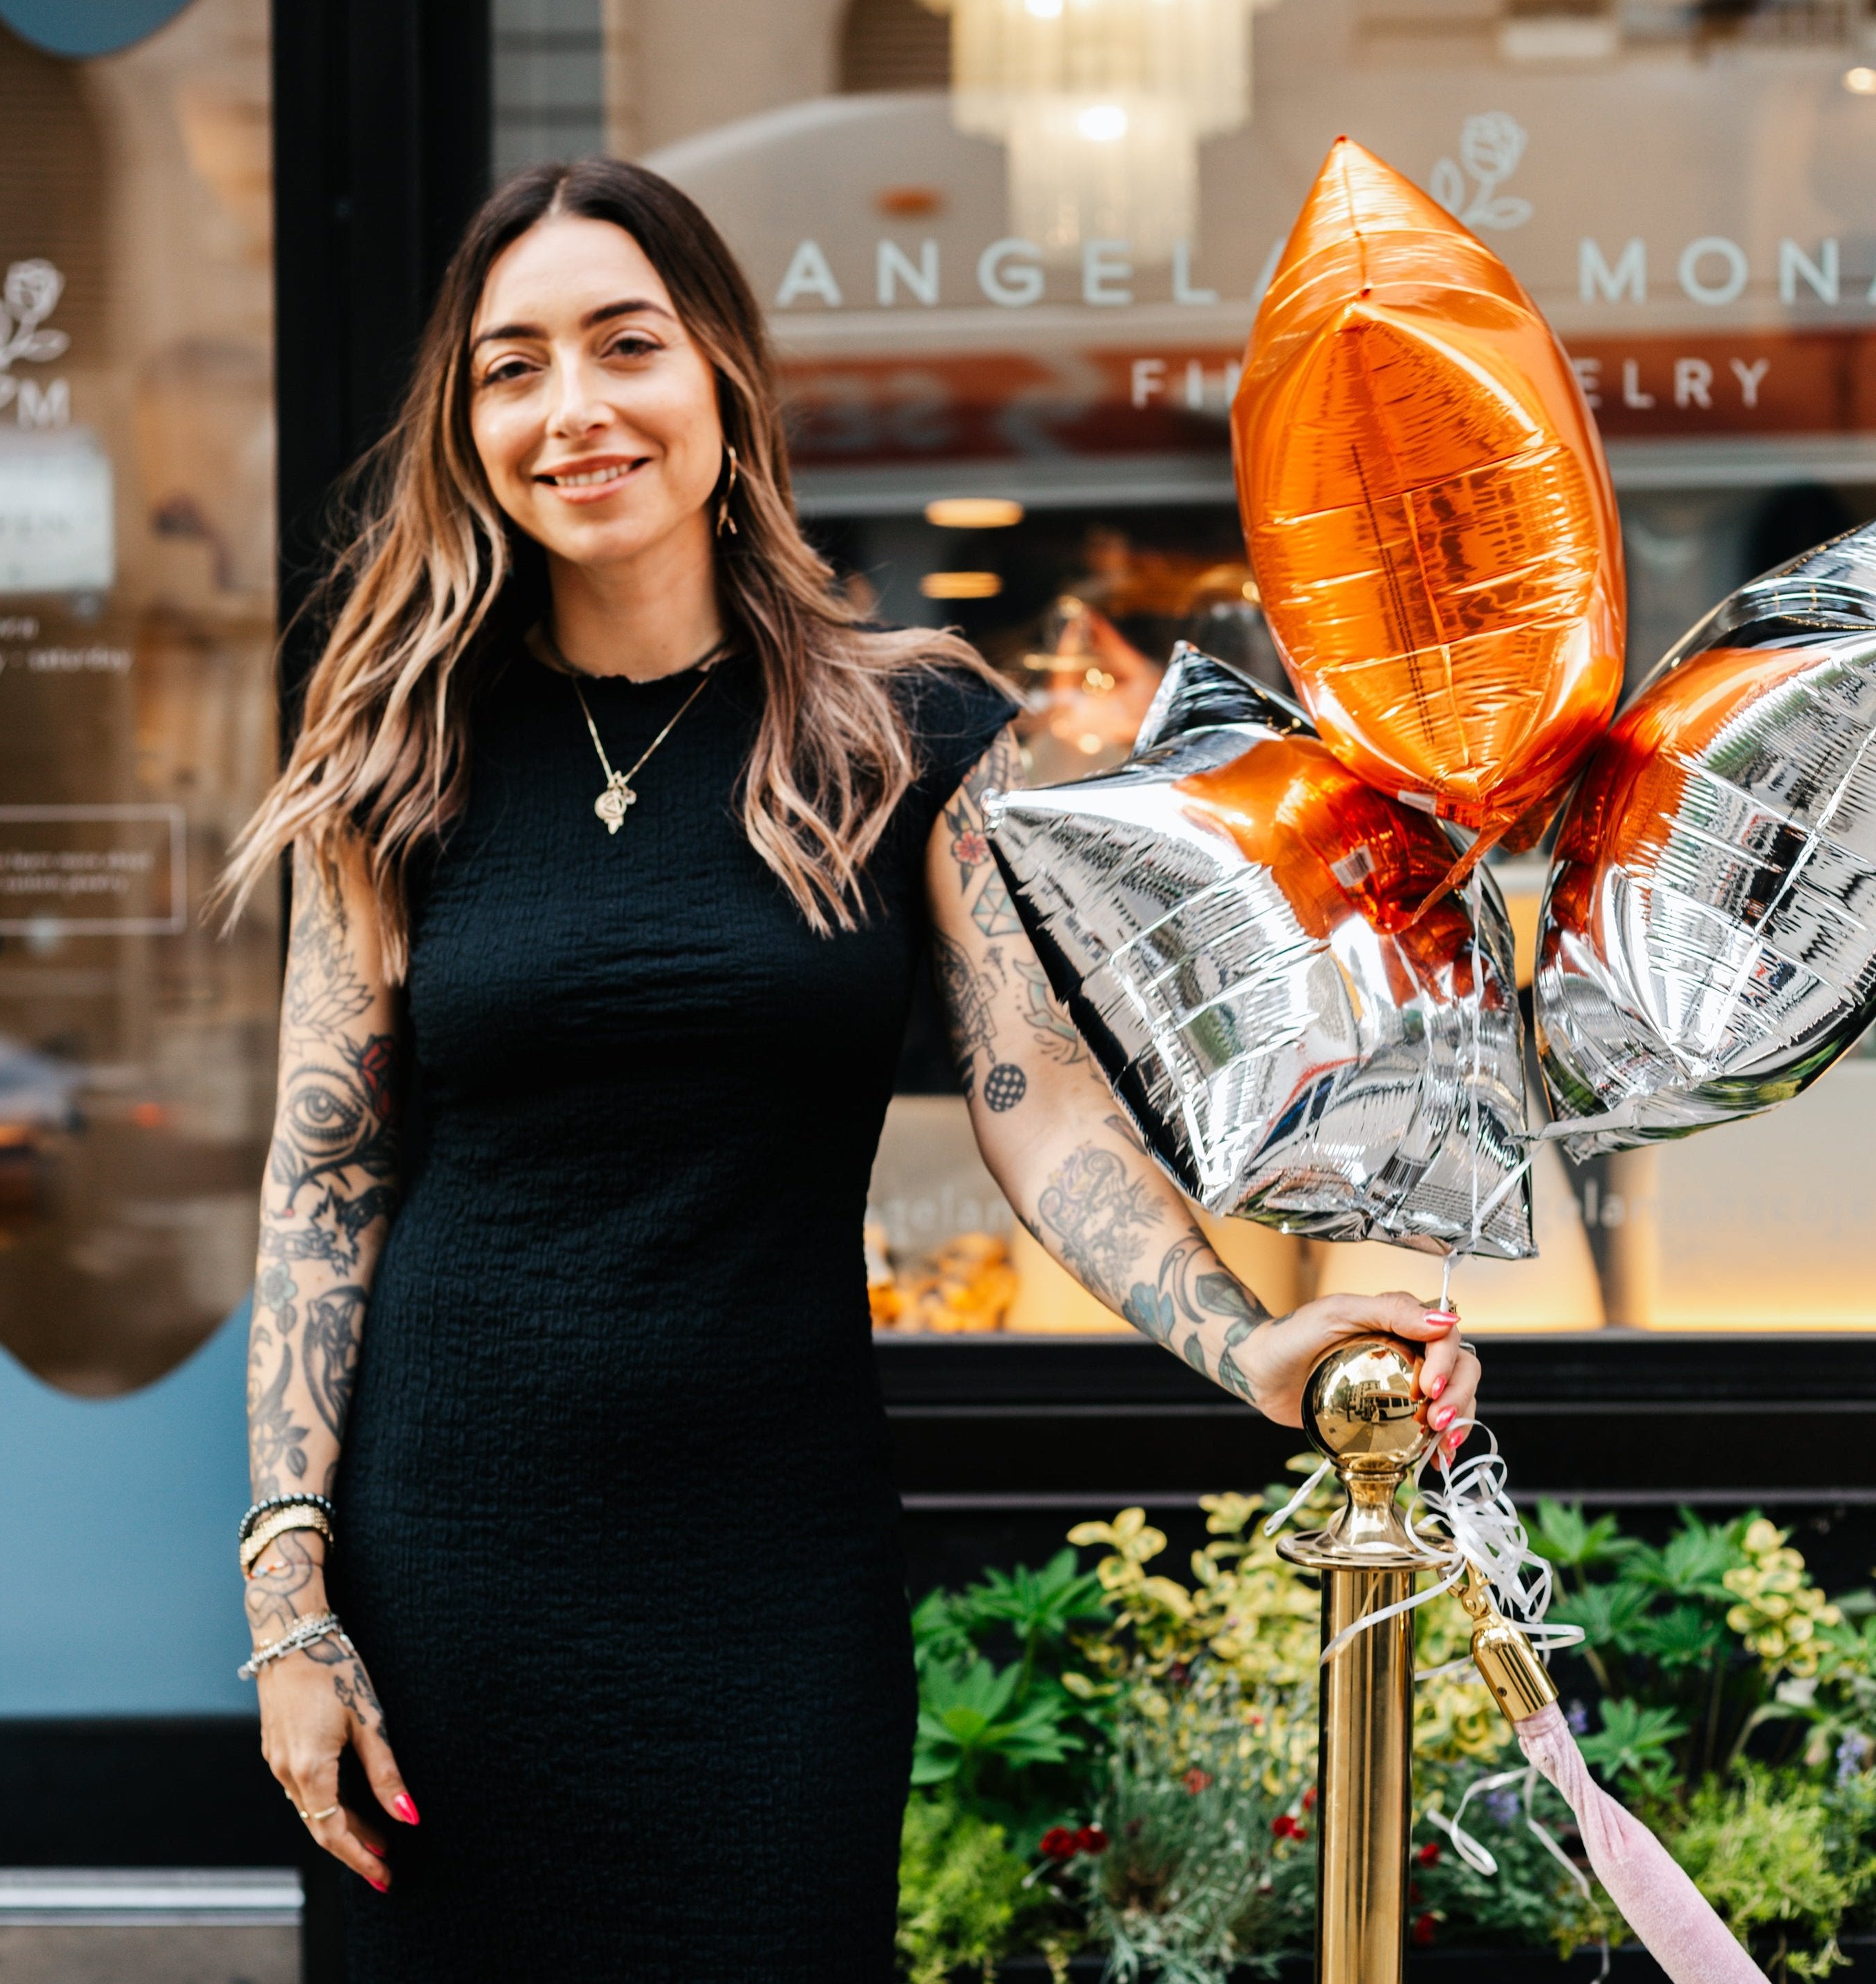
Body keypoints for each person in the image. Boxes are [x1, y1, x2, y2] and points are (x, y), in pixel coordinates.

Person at [218, 156, 1481, 1983]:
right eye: (512, 367)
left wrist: (1250, 1340)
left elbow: (1035, 1103)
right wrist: (290, 1608)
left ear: (722, 382)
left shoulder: (902, 731)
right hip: (452, 1578)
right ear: (466, 426)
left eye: (623, 345)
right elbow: (322, 1185)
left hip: (765, 1580)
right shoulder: (394, 756)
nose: (572, 408)